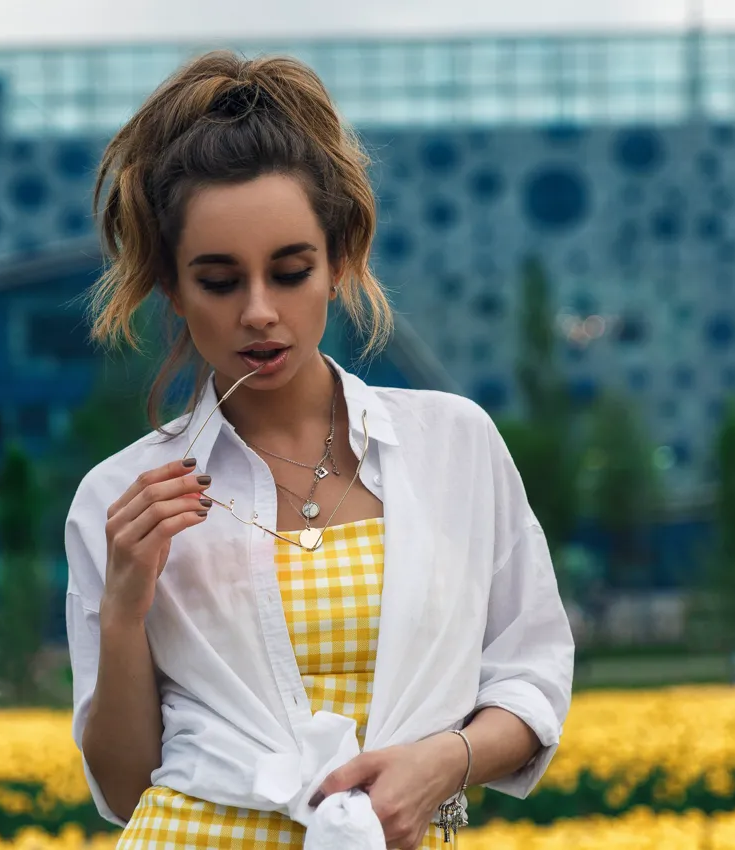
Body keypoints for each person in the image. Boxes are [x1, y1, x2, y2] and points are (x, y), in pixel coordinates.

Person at [64, 49, 574, 849]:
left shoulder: (454, 445)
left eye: (291, 271)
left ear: (340, 260)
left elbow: (534, 675)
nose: (260, 312)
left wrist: (447, 760)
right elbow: (128, 789)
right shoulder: (123, 495)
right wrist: (126, 607)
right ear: (171, 286)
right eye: (220, 281)